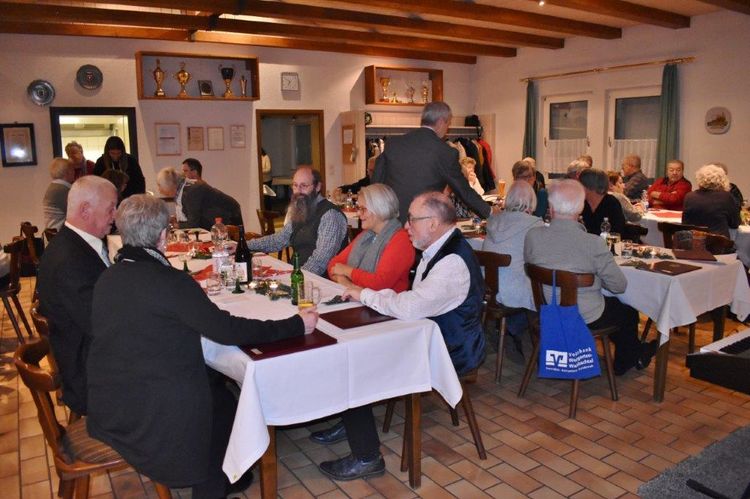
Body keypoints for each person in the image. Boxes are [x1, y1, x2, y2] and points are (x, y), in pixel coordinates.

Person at [86, 194, 318, 499]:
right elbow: (226, 330)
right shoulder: (169, 282)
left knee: (219, 391)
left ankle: (227, 477)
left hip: (113, 397)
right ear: (163, 235)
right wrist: (295, 325)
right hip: (151, 407)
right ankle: (210, 486)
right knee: (222, 404)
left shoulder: (109, 275)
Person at [311, 192, 486, 481]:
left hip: (450, 350)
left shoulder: (452, 261)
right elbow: (414, 303)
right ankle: (353, 419)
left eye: (412, 220)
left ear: (433, 223)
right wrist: (366, 293)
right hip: (426, 337)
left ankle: (367, 456)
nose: (406, 226)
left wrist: (363, 293)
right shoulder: (438, 248)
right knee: (355, 350)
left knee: (355, 359)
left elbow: (411, 306)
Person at [524, 180, 657, 376]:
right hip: (585, 314)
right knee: (628, 312)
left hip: (548, 310)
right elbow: (619, 286)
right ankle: (626, 361)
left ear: (550, 208)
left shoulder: (532, 236)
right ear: (580, 209)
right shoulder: (593, 243)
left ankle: (635, 354)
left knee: (617, 311)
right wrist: (597, 280)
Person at [36, 176, 118, 416]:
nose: (115, 215)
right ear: (85, 210)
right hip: (90, 377)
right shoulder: (70, 261)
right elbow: (103, 326)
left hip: (87, 353)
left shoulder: (72, 245)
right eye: (111, 208)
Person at [372, 101, 491, 223]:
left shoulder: (393, 143)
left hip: (390, 221)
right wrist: (490, 213)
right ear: (441, 122)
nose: (447, 128)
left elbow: (376, 181)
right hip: (422, 223)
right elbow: (464, 191)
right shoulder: (445, 152)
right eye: (448, 123)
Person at [248, 166, 348, 275]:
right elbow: (278, 240)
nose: (298, 191)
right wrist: (244, 245)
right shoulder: (301, 210)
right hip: (298, 274)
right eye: (295, 185)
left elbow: (319, 262)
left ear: (318, 187)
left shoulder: (330, 215)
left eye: (304, 186)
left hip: (319, 281)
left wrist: (293, 278)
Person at [482, 181, 543, 354]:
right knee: (547, 289)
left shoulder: (494, 220)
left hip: (487, 289)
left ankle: (512, 326)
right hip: (514, 293)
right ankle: (519, 329)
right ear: (531, 201)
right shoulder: (535, 225)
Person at [327, 184, 414, 292]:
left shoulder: (401, 241)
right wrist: (347, 284)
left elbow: (379, 283)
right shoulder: (367, 235)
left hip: (383, 301)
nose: (358, 213)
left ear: (380, 209)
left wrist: (347, 271)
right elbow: (333, 265)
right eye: (358, 208)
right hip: (357, 297)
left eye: (363, 209)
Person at [683, 164, 740, 239]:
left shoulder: (689, 196)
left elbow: (685, 223)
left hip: (693, 241)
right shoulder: (726, 197)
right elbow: (735, 224)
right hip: (717, 242)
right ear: (721, 180)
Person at [580, 168, 626, 236]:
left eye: (580, 184)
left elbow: (618, 231)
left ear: (588, 186)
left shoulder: (611, 203)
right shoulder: (581, 203)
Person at [42, 157, 75, 231]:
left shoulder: (53, 186)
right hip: (60, 234)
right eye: (72, 170)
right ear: (67, 172)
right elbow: (76, 215)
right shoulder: (62, 190)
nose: (74, 172)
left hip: (51, 232)